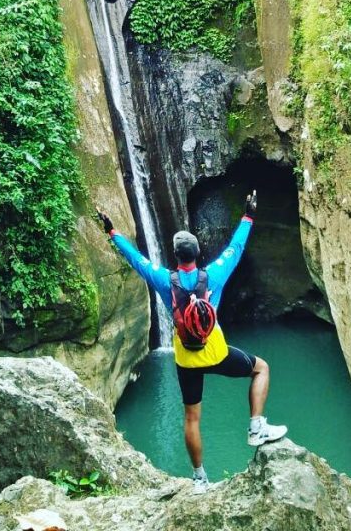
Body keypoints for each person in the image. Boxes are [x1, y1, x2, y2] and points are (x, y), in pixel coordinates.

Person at [96, 192, 287, 493]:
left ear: (176, 257)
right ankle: (256, 427)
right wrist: (249, 214)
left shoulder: (163, 279)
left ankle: (199, 479)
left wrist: (112, 232)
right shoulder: (213, 274)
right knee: (260, 368)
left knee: (191, 418)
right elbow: (235, 248)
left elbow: (136, 259)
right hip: (216, 352)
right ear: (198, 254)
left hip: (186, 358)